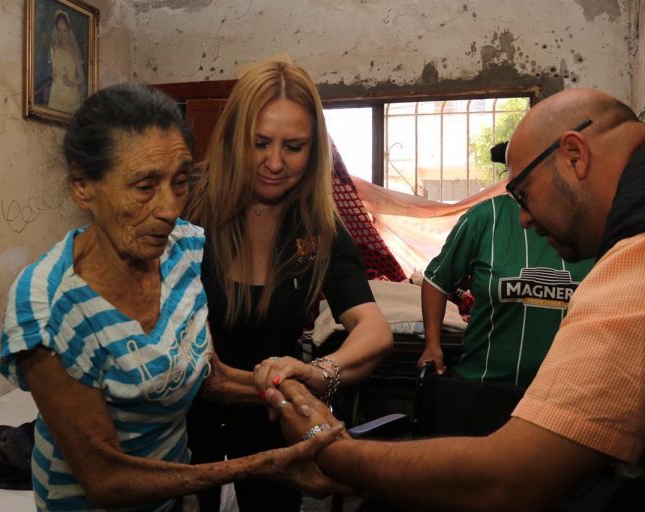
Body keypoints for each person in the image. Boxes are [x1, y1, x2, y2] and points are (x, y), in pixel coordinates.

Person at [266, 87, 645, 511]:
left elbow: (509, 478)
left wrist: (331, 450)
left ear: (574, 156)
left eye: (522, 192)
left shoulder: (634, 266)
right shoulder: (495, 222)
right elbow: (435, 281)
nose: (523, 216)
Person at [0, 83, 346, 512]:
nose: (169, 208)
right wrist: (264, 465)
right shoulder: (48, 306)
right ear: (82, 186)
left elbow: (210, 377)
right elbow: (106, 479)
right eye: (145, 187)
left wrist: (298, 396)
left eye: (180, 182)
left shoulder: (181, 249)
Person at [184, 60, 393, 512]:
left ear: (315, 150)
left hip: (274, 429)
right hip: (182, 432)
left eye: (294, 147)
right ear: (234, 136)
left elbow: (375, 332)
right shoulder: (187, 206)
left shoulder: (319, 230)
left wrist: (320, 373)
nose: (275, 163)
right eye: (260, 143)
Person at [419, 142, 593, 388]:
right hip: (485, 385)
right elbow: (437, 280)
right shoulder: (485, 218)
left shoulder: (593, 225)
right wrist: (432, 344)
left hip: (566, 393)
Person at [48, 11, 84, 113]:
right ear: (56, 31)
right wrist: (51, 74)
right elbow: (52, 68)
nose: (62, 34)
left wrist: (72, 83)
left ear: (69, 30)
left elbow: (82, 78)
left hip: (70, 93)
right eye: (59, 31)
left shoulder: (74, 52)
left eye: (65, 30)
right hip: (55, 92)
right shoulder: (54, 48)